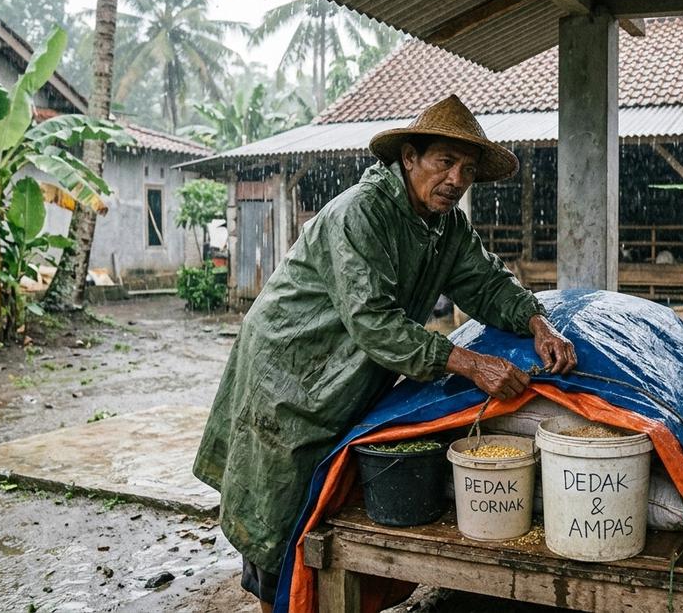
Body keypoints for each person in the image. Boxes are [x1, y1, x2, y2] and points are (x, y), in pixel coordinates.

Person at [193, 95, 577, 611]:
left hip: (348, 375)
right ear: (409, 158)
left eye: (467, 169)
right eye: (445, 162)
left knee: (327, 506)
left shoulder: (447, 227)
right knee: (276, 514)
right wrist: (470, 364)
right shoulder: (360, 213)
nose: (456, 179)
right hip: (289, 371)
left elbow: (487, 283)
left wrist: (536, 322)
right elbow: (374, 322)